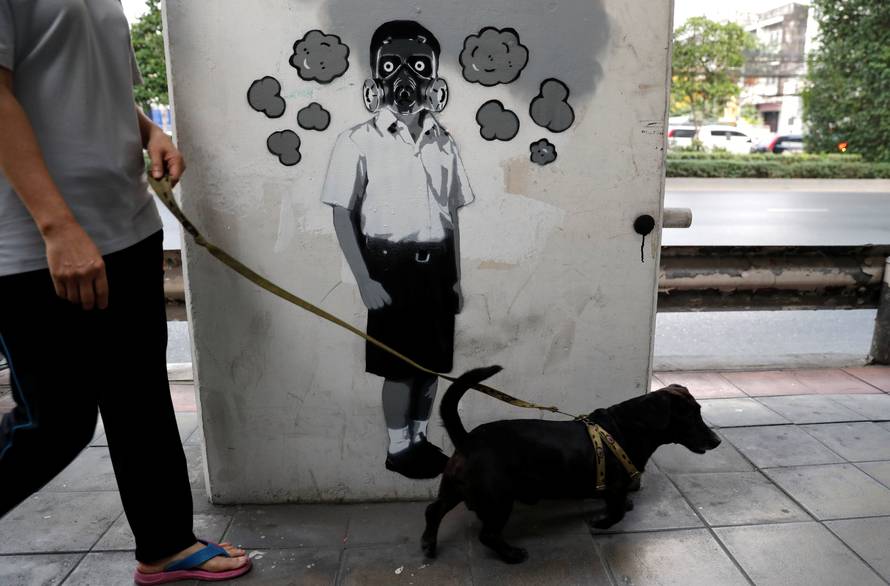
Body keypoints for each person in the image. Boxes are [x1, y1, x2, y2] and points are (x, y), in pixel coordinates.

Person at [0, 1, 250, 582]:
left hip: (126, 225)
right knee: (55, 426)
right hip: (34, 243)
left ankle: (166, 545)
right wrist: (58, 228)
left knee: (139, 399)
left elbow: (93, 90)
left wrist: (150, 130)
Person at [322, 20, 474, 480]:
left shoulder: (444, 142)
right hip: (389, 269)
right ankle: (397, 447)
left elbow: (454, 215)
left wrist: (456, 277)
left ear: (433, 78)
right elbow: (341, 215)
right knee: (399, 369)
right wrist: (365, 279)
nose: (404, 78)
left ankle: (420, 439)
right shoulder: (356, 141)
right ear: (375, 80)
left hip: (437, 266)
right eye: (391, 66)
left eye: (417, 65)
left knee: (430, 369)